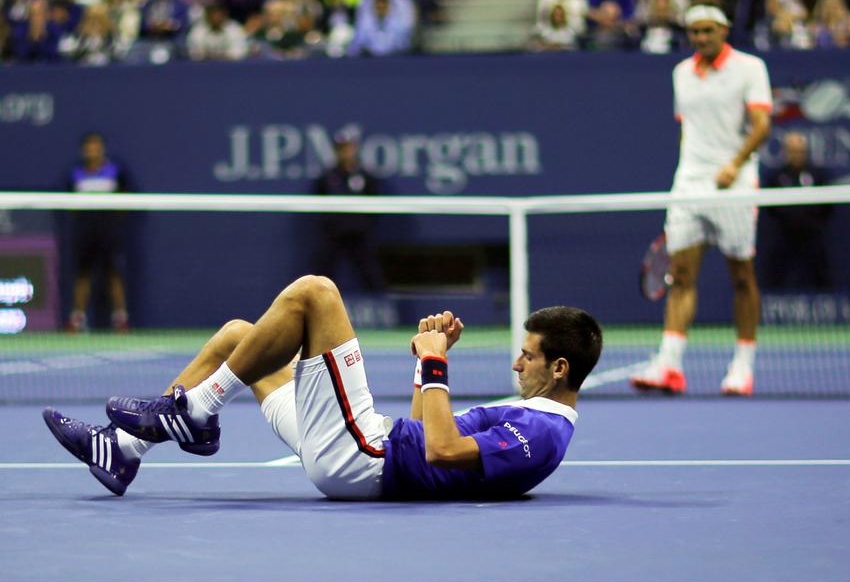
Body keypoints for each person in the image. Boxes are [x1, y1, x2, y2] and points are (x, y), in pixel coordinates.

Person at [42, 274, 604, 500]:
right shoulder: (531, 415)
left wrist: (438, 366)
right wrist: (427, 365)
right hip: (367, 446)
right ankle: (124, 450)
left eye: (527, 357)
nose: (515, 365)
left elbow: (441, 450)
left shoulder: (543, 431)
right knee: (240, 339)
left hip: (363, 458)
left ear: (559, 369)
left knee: (316, 292)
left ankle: (196, 411)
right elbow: (426, 431)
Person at [629, 3, 772, 396]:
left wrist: (734, 165)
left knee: (742, 276)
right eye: (695, 32)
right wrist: (688, 170)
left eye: (708, 31)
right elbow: (686, 130)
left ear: (724, 30)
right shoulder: (681, 74)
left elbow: (762, 125)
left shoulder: (750, 68)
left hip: (735, 184)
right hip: (689, 185)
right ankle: (670, 365)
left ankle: (742, 366)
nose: (701, 38)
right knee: (683, 276)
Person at [65, 132, 131, 332]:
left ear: (101, 148)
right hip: (85, 232)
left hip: (108, 232)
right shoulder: (76, 174)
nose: (92, 150)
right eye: (89, 147)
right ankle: (77, 319)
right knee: (83, 275)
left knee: (114, 275)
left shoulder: (115, 171)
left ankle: (121, 319)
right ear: (84, 150)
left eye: (95, 146)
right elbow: (69, 203)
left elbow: (125, 200)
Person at [311, 128, 385, 293]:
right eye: (342, 148)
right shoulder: (327, 177)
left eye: (349, 147)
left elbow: (376, 204)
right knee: (322, 274)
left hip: (360, 234)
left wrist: (363, 223)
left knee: (371, 274)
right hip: (334, 234)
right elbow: (317, 203)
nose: (346, 152)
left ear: (355, 148)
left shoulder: (365, 176)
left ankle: (384, 310)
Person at [760, 131, 832, 291]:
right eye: (793, 151)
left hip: (812, 232)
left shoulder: (817, 175)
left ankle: (828, 302)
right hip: (784, 233)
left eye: (800, 151)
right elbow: (770, 206)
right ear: (786, 152)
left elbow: (828, 205)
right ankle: (771, 305)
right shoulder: (777, 176)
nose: (797, 155)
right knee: (775, 270)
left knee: (821, 269)